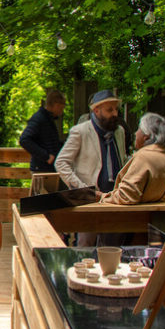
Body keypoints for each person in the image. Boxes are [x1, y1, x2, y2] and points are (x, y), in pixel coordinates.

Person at [55, 89, 126, 246]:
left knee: (112, 246)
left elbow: (122, 160)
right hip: (89, 198)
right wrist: (83, 190)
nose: (114, 114)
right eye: (109, 110)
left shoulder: (119, 131)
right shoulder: (81, 131)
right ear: (96, 110)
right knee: (86, 246)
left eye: (116, 109)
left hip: (114, 199)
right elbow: (61, 162)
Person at [100, 113, 165, 204]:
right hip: (158, 214)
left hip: (135, 215)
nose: (136, 133)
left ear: (146, 136)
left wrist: (101, 196)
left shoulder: (144, 157)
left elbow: (126, 196)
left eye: (139, 129)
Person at [19, 89, 66, 173]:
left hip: (47, 168)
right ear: (56, 105)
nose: (61, 112)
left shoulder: (48, 119)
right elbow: (24, 139)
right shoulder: (39, 118)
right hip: (41, 169)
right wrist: (46, 156)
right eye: (61, 108)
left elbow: (49, 142)